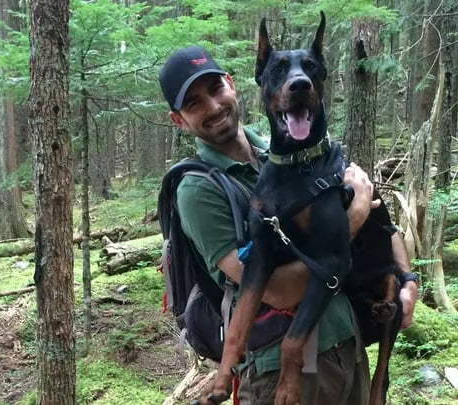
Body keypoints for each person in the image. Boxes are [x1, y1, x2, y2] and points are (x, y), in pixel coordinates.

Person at [158, 45, 417, 405]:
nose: (214, 107)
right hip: (279, 373)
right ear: (178, 120)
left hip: (346, 348)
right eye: (194, 104)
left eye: (216, 90)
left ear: (232, 85)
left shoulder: (293, 152)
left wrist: (407, 280)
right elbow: (277, 291)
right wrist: (351, 220)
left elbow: (378, 218)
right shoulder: (198, 190)